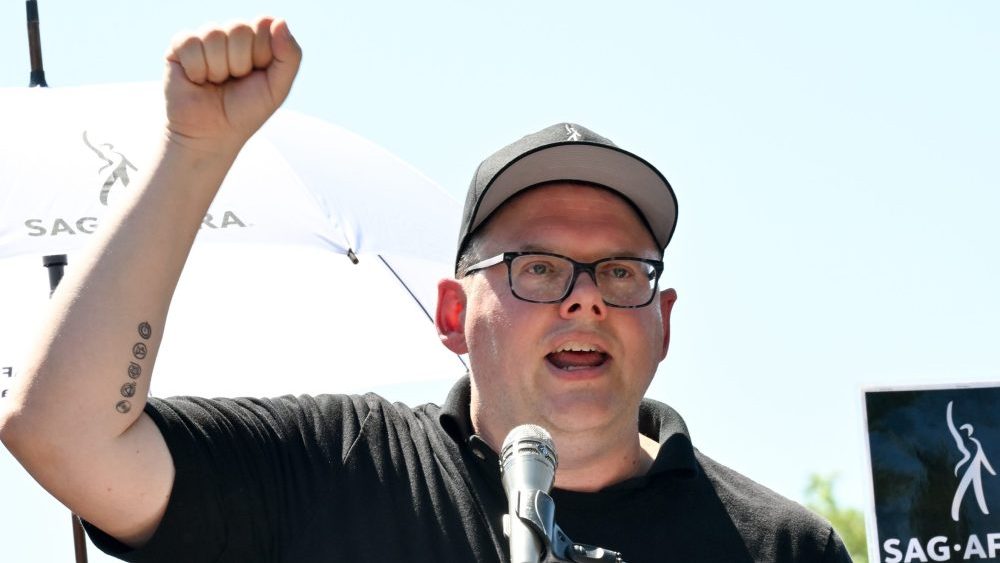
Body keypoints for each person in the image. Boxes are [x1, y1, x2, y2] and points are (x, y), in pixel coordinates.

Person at [0, 17, 852, 563]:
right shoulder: (337, 467)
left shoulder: (779, 546)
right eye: (538, 267)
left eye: (622, 272)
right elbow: (63, 433)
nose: (585, 299)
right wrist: (196, 151)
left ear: (663, 325)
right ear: (454, 315)